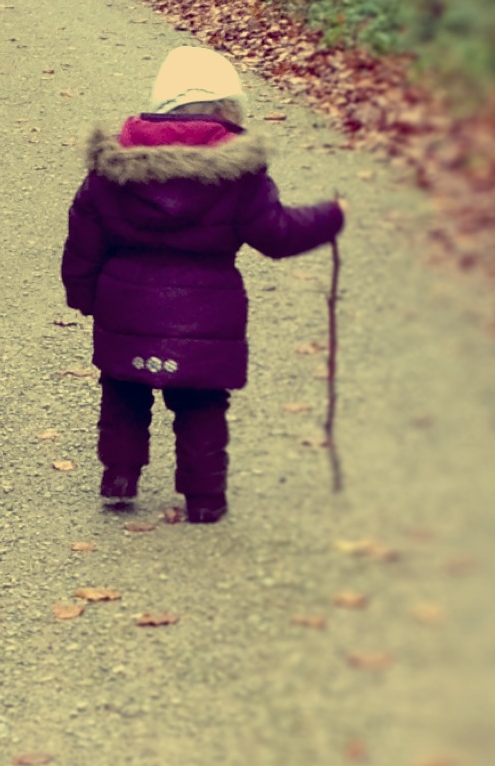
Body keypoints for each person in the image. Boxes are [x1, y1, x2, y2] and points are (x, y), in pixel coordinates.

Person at [60, 44, 344, 523]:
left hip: (125, 306)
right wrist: (331, 217)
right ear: (226, 109)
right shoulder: (239, 173)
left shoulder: (112, 168)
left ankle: (120, 476)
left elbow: (83, 238)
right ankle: (205, 498)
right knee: (201, 405)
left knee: (124, 390)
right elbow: (277, 234)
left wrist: (84, 296)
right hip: (206, 316)